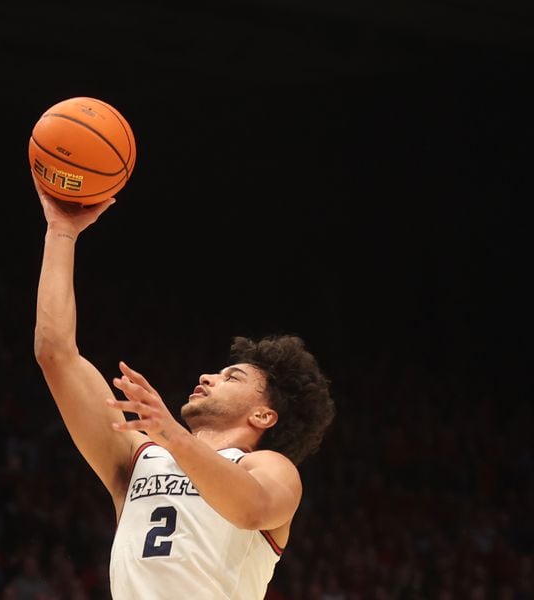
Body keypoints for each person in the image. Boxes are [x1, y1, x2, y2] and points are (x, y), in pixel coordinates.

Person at [31, 176, 337, 599]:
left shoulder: (268, 468)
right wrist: (61, 231)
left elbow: (251, 510)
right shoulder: (136, 457)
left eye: (232, 377)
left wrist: (171, 434)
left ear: (263, 415)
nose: (207, 377)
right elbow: (56, 354)